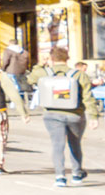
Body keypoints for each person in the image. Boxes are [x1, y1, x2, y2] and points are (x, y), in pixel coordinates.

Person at [31, 54, 97, 187]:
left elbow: (30, 78)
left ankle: (60, 176)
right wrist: (93, 116)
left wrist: (40, 64)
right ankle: (77, 173)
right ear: (67, 59)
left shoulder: (44, 73)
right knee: (75, 144)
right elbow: (87, 97)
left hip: (52, 113)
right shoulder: (79, 75)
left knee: (57, 145)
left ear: (52, 59)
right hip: (75, 115)